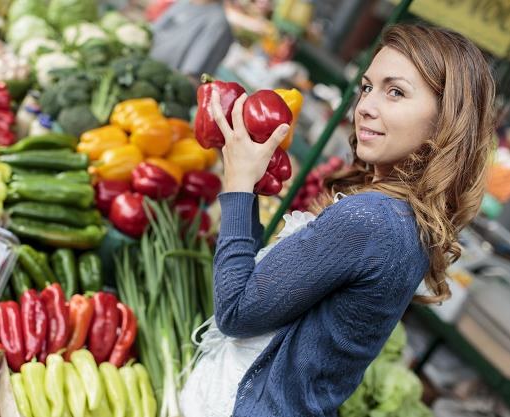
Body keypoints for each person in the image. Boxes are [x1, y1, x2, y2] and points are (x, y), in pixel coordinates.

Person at [190, 24, 496, 416]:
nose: (365, 105)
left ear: (446, 121)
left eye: (396, 91)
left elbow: (235, 312)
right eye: (367, 87)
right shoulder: (407, 221)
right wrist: (250, 186)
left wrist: (237, 187)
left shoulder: (370, 219)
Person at [149, 0, 233, 79]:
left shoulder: (217, 23)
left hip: (160, 84)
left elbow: (190, 76)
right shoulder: (184, 3)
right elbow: (152, 33)